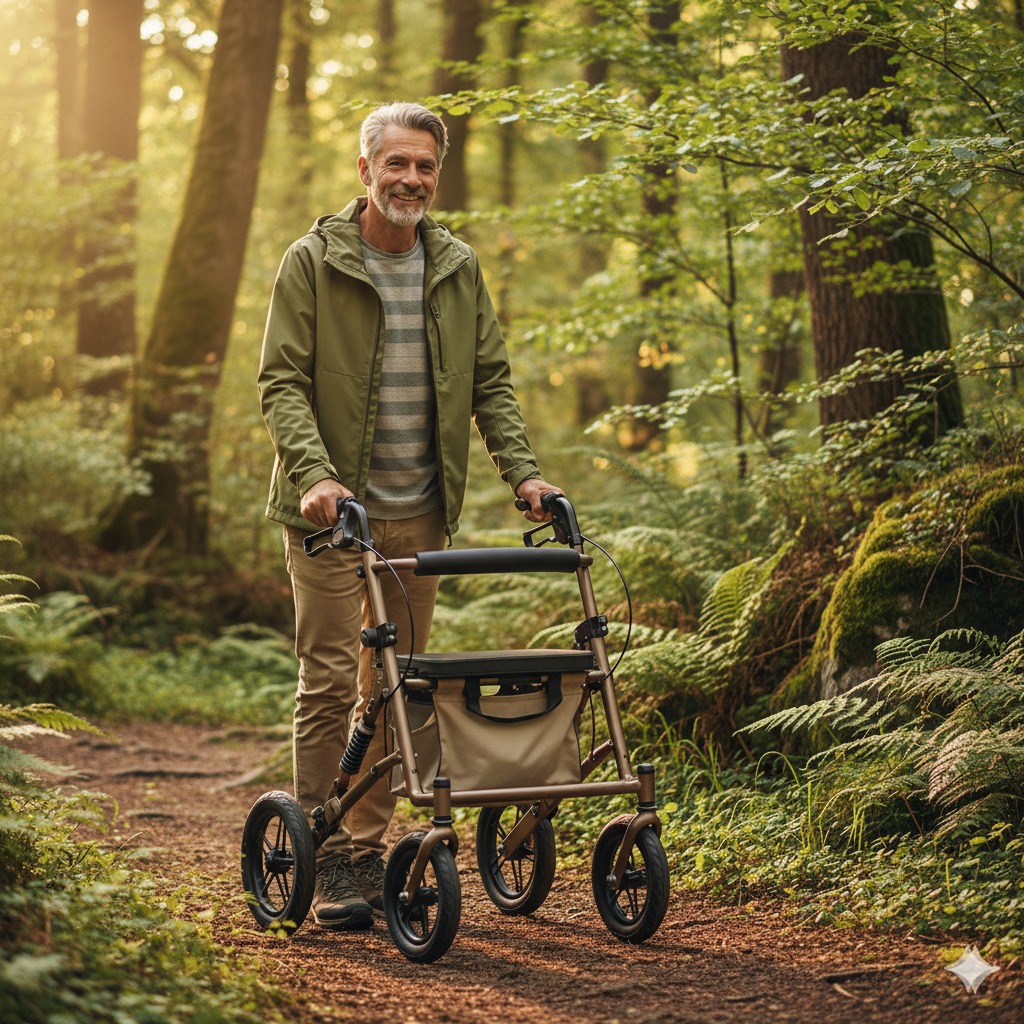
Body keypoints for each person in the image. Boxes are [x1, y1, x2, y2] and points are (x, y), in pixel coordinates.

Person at [257, 102, 561, 930]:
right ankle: (324, 852)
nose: (411, 180)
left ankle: (369, 842)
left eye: (425, 166)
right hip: (329, 516)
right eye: (396, 163)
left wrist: (524, 476)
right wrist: (315, 475)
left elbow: (490, 380)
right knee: (326, 679)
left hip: (420, 515)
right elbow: (280, 381)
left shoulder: (456, 266)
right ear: (365, 170)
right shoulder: (312, 262)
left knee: (398, 690)